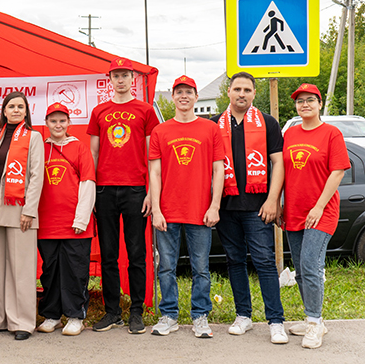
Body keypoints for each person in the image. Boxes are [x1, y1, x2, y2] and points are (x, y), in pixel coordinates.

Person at [211, 72, 287, 344]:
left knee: (265, 262)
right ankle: (243, 315)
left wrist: (273, 199)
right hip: (226, 207)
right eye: (237, 89)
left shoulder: (267, 123)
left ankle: (276, 321)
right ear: (228, 92)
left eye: (247, 89)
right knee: (234, 261)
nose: (241, 94)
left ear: (254, 93)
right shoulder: (214, 124)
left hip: (258, 207)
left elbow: (278, 163)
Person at [149, 76, 224, 339]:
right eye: (179, 92)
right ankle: (169, 315)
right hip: (167, 211)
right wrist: (156, 210)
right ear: (172, 97)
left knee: (200, 267)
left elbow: (218, 170)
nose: (184, 96)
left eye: (189, 92)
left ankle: (200, 315)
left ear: (195, 96)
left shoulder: (210, 129)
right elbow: (155, 173)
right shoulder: (160, 131)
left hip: (200, 211)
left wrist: (215, 206)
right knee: (166, 267)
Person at [87, 58, 157, 334]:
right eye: (116, 75)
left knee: (136, 253)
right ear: (110, 79)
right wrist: (91, 191)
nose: (120, 80)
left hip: (135, 189)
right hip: (105, 189)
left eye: (125, 75)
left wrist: (150, 192)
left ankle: (136, 312)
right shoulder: (99, 111)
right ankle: (112, 311)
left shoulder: (145, 110)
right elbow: (93, 153)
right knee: (108, 254)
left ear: (132, 78)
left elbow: (152, 155)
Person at [282, 83, 349, 349]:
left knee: (310, 265)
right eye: (300, 101)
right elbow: (283, 170)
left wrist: (319, 206)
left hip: (321, 212)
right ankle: (315, 319)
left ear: (320, 104)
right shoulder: (290, 133)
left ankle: (314, 322)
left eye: (310, 100)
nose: (305, 104)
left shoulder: (331, 133)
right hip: (294, 211)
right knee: (300, 270)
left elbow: (338, 171)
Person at [0, 91, 44, 340]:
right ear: (4, 111)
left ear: (26, 111)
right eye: (12, 106)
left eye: (21, 107)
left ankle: (23, 322)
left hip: (21, 211)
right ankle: (2, 319)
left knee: (21, 269)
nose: (16, 110)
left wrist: (29, 210)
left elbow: (37, 176)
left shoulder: (34, 137)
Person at [36, 103, 95, 337]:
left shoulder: (79, 148)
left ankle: (75, 316)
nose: (58, 125)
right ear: (46, 123)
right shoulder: (40, 149)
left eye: (62, 121)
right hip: (47, 224)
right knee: (50, 272)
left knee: (75, 271)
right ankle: (52, 315)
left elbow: (88, 182)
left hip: (75, 224)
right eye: (53, 121)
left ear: (69, 123)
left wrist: (81, 219)